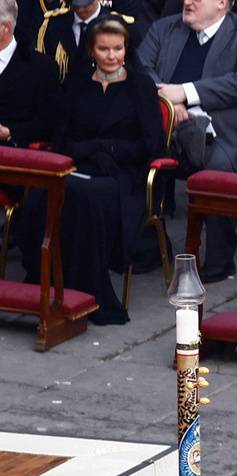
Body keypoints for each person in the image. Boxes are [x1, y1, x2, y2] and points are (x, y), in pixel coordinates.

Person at [137, 0, 237, 282]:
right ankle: (148, 248)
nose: (187, 2)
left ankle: (220, 261)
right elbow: (139, 69)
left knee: (217, 171)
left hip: (223, 131)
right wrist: (168, 103)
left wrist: (186, 92)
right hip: (165, 126)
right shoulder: (164, 28)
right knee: (128, 156)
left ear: (222, 3)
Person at [47, 17, 161, 322]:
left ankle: (87, 292)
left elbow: (152, 146)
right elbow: (61, 136)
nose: (111, 56)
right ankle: (48, 283)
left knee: (89, 196)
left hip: (123, 175)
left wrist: (108, 149)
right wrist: (89, 150)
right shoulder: (76, 84)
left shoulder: (141, 87)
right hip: (79, 164)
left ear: (126, 49)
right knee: (45, 197)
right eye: (104, 49)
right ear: (91, 51)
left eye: (118, 48)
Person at [0, 0, 60, 155]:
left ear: (5, 27)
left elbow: (50, 124)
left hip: (18, 164)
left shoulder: (42, 69)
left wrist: (9, 132)